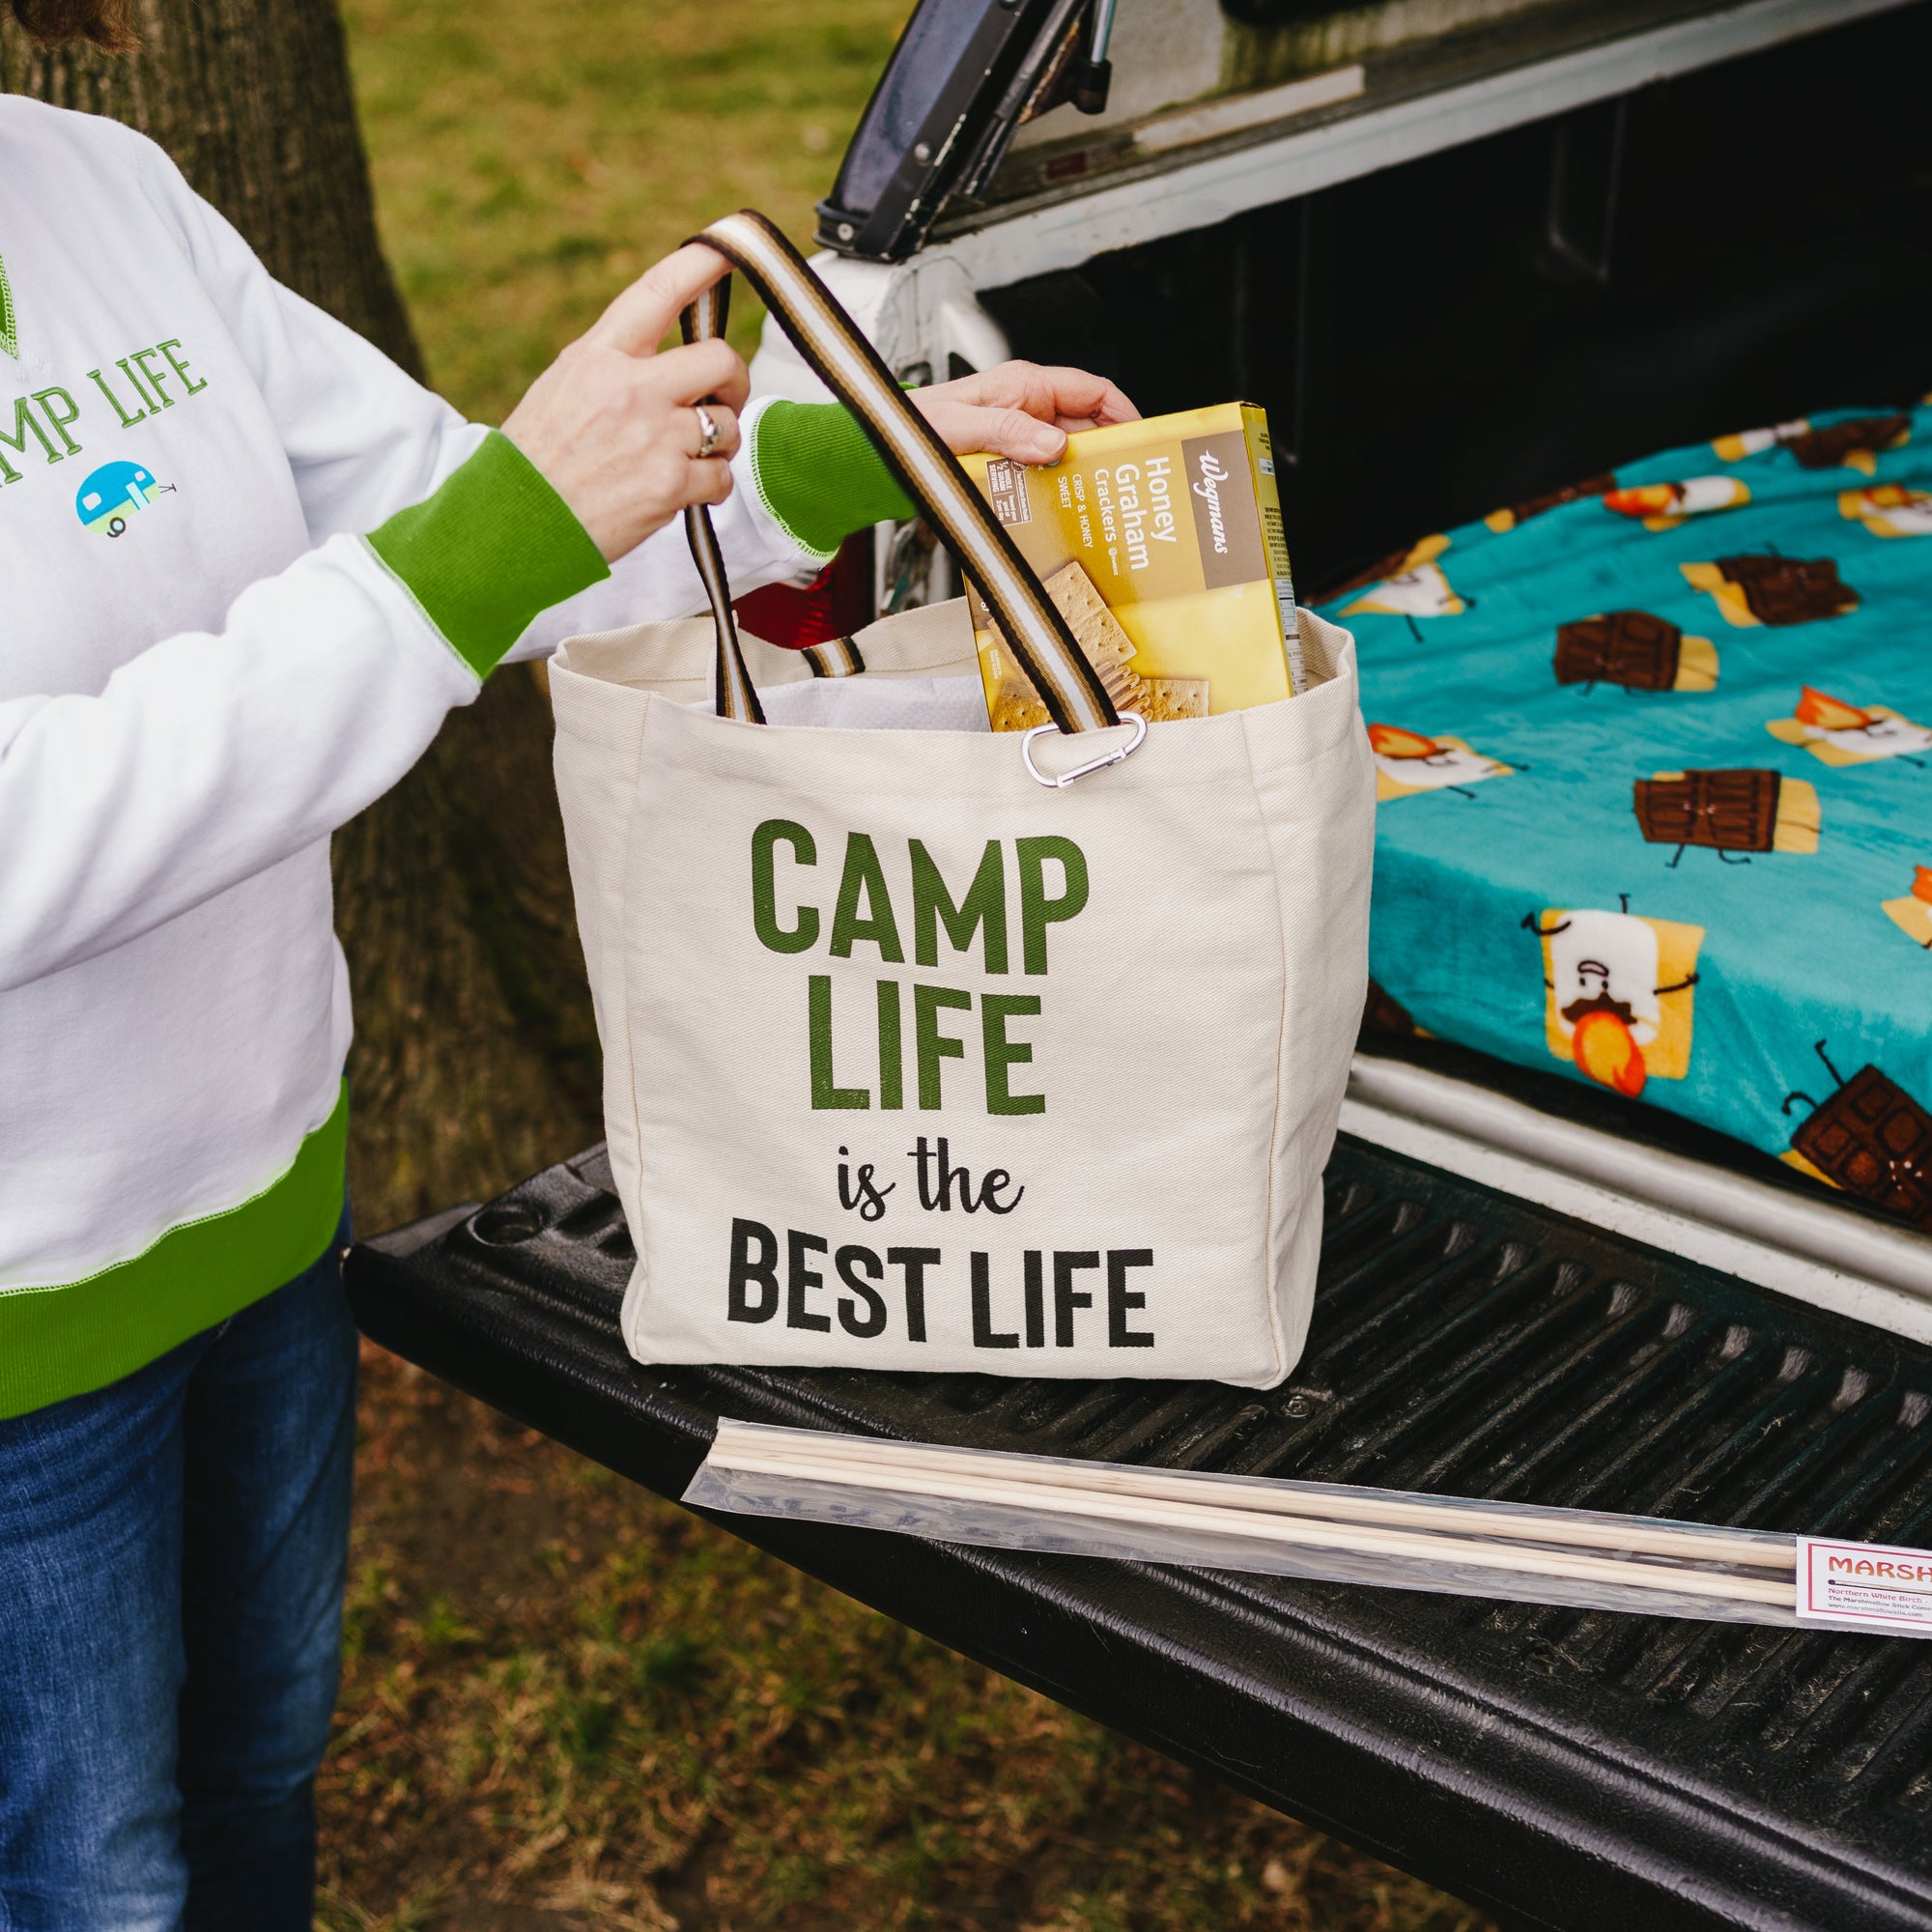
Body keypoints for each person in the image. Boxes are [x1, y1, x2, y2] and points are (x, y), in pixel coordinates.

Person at [0, 5, 1140, 1926]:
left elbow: (466, 519)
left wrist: (845, 460)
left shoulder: (95, 179)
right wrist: (483, 542)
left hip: (265, 1203)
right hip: (21, 1339)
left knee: (260, 1769)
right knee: (90, 1883)